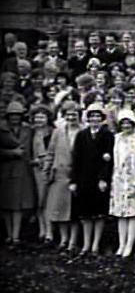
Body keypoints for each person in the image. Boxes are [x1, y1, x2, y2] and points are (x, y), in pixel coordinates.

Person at [69, 103, 114, 256]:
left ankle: (95, 245)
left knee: (99, 213)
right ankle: (86, 245)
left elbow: (109, 159)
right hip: (84, 178)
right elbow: (76, 159)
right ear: (88, 118)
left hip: (99, 180)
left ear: (102, 118)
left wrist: (103, 179)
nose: (95, 119)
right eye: (92, 116)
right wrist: (74, 181)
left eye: (98, 116)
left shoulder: (107, 135)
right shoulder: (82, 135)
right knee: (86, 214)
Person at [109, 109, 135, 258]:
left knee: (133, 214)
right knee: (121, 214)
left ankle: (129, 245)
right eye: (123, 123)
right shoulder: (117, 138)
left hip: (133, 180)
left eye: (128, 123)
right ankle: (121, 244)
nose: (126, 126)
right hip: (119, 180)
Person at [45, 101, 82, 252]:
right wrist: (47, 170)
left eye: (74, 114)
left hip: (77, 175)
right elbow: (51, 152)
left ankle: (73, 241)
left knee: (74, 211)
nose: (71, 117)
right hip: (60, 174)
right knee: (60, 209)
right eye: (68, 115)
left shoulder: (83, 131)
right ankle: (63, 239)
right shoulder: (58, 131)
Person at [0, 101, 36, 245]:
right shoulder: (2, 129)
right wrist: (11, 153)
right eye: (12, 115)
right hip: (6, 170)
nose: (15, 118)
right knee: (6, 204)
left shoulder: (28, 129)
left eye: (18, 115)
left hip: (23, 170)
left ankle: (16, 236)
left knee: (18, 204)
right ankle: (9, 234)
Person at [30, 104, 55, 243]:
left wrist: (46, 163)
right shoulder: (32, 132)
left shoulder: (52, 132)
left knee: (46, 200)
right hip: (33, 170)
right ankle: (41, 230)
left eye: (42, 117)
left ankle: (49, 232)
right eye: (37, 117)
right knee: (38, 201)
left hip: (48, 169)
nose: (39, 120)